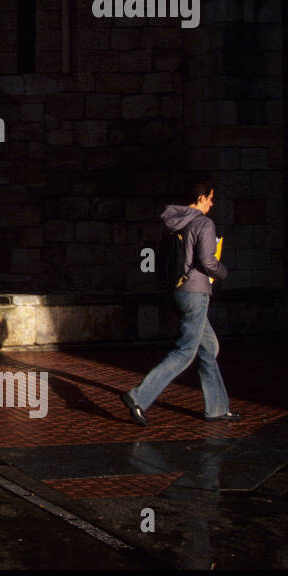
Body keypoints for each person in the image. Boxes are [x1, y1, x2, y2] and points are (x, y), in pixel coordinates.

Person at [121, 179, 241, 425]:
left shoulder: (175, 224)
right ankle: (138, 397)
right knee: (186, 351)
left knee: (209, 348)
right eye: (210, 197)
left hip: (178, 291)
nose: (212, 202)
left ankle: (217, 407)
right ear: (200, 198)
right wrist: (222, 272)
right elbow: (207, 261)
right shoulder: (203, 223)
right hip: (196, 291)